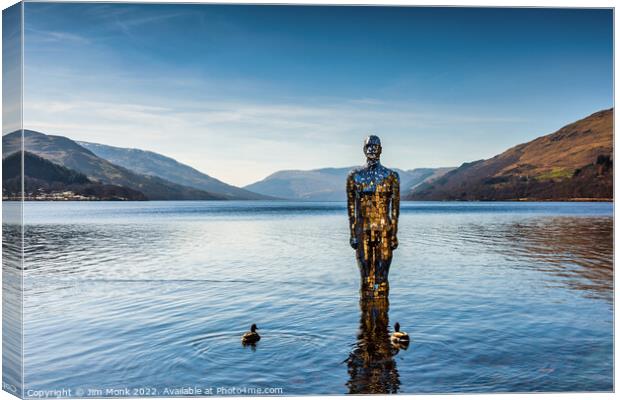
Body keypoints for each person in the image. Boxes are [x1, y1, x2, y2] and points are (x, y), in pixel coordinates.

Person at [346, 135, 400, 298]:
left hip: (385, 229)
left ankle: (382, 319)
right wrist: (352, 233)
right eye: (368, 146)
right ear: (364, 150)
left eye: (375, 146)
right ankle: (367, 319)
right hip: (363, 230)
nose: (372, 149)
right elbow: (351, 208)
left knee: (382, 279)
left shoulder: (391, 176)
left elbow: (395, 209)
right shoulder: (354, 176)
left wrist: (394, 235)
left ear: (381, 150)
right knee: (366, 279)